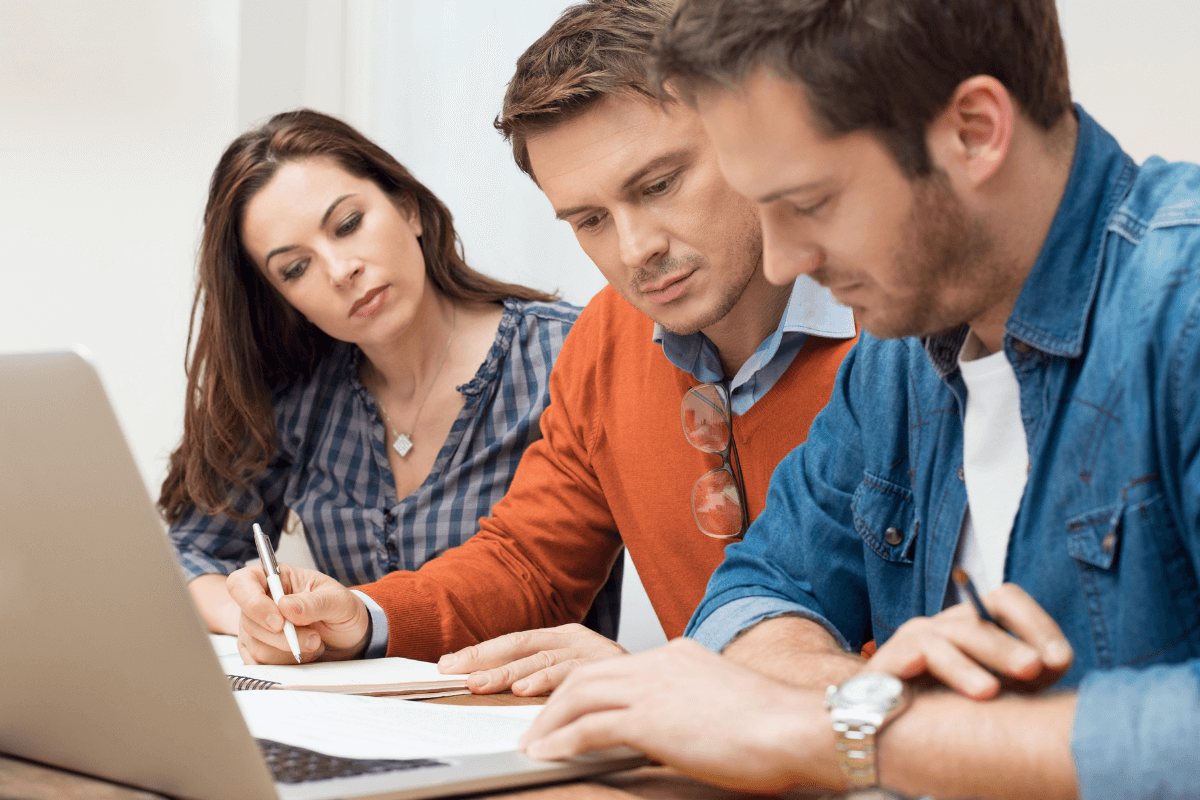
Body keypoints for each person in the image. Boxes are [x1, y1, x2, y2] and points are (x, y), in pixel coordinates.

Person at [518, 0, 1200, 798]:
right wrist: (862, 707)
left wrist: (860, 734)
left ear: (976, 130)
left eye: (808, 203)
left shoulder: (1179, 309)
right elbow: (758, 592)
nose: (784, 258)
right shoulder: (898, 353)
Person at [224, 0, 857, 695]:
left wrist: (678, 676)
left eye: (659, 185)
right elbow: (528, 563)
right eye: (589, 219)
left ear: (745, 137)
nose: (636, 248)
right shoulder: (607, 340)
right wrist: (364, 617)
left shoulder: (891, 327)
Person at [161, 108, 623, 648]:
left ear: (408, 209)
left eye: (349, 224)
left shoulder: (564, 353)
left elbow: (530, 572)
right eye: (295, 268)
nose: (340, 270)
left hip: (524, 714)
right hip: (357, 718)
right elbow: (190, 551)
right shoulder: (301, 396)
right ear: (279, 298)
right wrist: (253, 617)